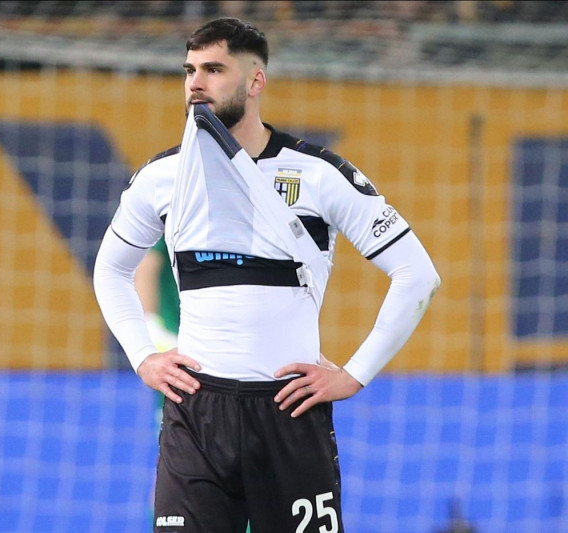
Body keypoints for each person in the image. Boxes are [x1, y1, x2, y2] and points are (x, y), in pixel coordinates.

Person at [93, 17, 440, 533]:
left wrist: (354, 373)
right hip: (195, 415)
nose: (196, 83)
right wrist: (143, 356)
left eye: (214, 68)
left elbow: (417, 272)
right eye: (190, 70)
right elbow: (110, 270)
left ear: (256, 82)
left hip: (288, 413)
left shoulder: (320, 174)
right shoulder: (161, 177)